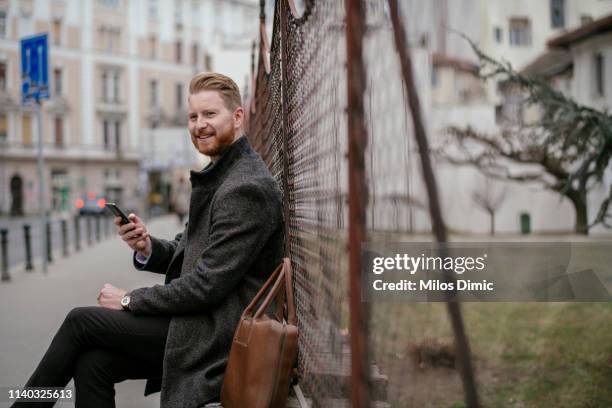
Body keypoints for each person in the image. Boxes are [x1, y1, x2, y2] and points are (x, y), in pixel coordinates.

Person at [11, 72, 285, 408]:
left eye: (210, 114)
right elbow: (194, 255)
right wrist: (148, 247)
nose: (199, 125)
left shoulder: (245, 188)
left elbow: (205, 285)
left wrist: (129, 300)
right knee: (93, 362)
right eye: (193, 116)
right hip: (202, 320)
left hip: (219, 332)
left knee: (80, 322)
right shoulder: (224, 175)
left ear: (238, 116)